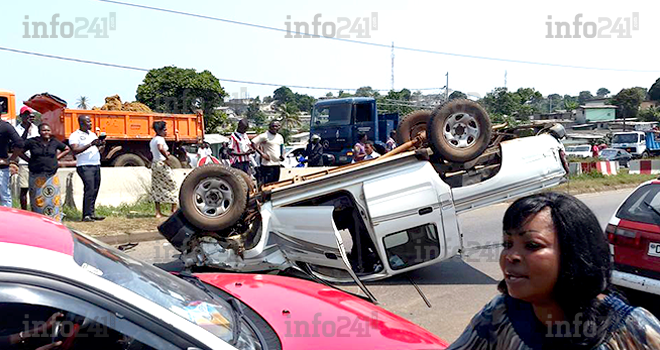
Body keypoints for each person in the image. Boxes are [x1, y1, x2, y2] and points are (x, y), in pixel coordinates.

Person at [447, 192, 660, 350]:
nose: (510, 256)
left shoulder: (632, 329)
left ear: (574, 253)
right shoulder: (500, 314)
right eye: (507, 244)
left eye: (531, 245)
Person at [20, 124, 69, 221]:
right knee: (38, 200)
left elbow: (66, 149)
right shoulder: (32, 142)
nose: (46, 132)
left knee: (53, 200)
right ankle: (38, 219)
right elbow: (19, 151)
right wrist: (29, 160)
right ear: (39, 132)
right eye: (44, 130)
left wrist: (56, 158)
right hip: (37, 176)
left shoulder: (54, 142)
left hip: (51, 176)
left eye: (48, 130)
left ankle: (54, 219)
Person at [69, 115, 105, 222]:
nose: (91, 123)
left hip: (96, 164)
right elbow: (75, 150)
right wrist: (90, 144)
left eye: (90, 121)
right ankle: (86, 215)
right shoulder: (75, 135)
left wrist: (102, 145)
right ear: (81, 123)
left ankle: (92, 213)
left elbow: (98, 151)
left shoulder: (92, 134)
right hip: (84, 165)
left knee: (95, 188)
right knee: (89, 188)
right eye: (88, 122)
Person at [149, 121, 178, 218]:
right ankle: (173, 209)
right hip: (162, 164)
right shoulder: (160, 139)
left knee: (156, 187)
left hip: (155, 164)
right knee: (173, 185)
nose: (166, 132)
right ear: (159, 131)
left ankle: (158, 212)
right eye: (165, 130)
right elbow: (160, 148)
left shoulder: (152, 140)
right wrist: (167, 157)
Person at [14, 106, 40, 210]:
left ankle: (35, 210)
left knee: (36, 189)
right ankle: (24, 211)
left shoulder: (36, 128)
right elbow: (20, 143)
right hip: (24, 162)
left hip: (35, 162)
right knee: (24, 188)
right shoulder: (17, 129)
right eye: (25, 115)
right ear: (21, 116)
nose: (27, 117)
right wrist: (27, 128)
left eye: (29, 115)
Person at [0, 118, 24, 207]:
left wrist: (11, 159)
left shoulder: (5, 126)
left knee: (4, 196)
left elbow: (20, 143)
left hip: (1, 169)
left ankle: (6, 219)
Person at [252, 120, 284, 185]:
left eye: (277, 126)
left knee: (275, 184)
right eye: (273, 126)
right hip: (267, 165)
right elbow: (253, 143)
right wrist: (262, 154)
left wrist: (283, 155)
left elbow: (282, 147)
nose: (275, 128)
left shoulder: (280, 137)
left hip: (277, 165)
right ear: (270, 127)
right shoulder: (264, 135)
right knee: (266, 185)